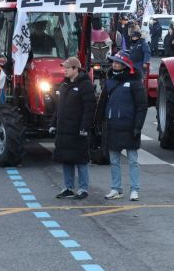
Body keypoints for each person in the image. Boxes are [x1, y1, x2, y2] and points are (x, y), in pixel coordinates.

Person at [98, 51, 148, 201]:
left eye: (117, 62)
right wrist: (99, 122)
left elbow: (142, 106)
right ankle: (116, 188)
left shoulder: (135, 82)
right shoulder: (109, 81)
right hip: (113, 126)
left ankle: (134, 189)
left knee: (133, 160)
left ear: (125, 65)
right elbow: (102, 104)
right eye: (113, 61)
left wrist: (138, 127)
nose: (114, 64)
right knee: (114, 161)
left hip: (130, 127)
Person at [52, 56, 96, 200]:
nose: (64, 70)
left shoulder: (85, 85)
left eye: (67, 68)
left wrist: (84, 127)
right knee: (66, 159)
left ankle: (83, 189)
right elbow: (59, 108)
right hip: (65, 130)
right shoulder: (64, 85)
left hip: (77, 130)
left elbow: (89, 109)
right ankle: (68, 188)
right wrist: (53, 123)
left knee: (81, 160)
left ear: (76, 69)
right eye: (64, 68)